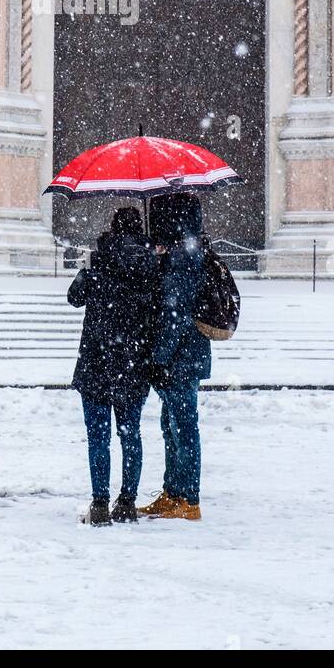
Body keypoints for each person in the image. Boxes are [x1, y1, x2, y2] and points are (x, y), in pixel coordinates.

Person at [67, 207, 158, 525]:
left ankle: (100, 503)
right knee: (131, 434)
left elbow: (74, 297)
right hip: (133, 361)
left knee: (98, 437)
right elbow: (159, 308)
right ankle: (128, 502)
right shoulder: (152, 264)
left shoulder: (96, 258)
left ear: (112, 228)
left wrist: (87, 269)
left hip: (96, 358)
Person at [139, 192, 210, 521]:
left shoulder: (183, 259)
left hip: (179, 359)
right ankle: (174, 492)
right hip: (184, 356)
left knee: (182, 428)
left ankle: (188, 498)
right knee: (173, 427)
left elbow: (174, 315)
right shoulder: (186, 253)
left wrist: (158, 357)